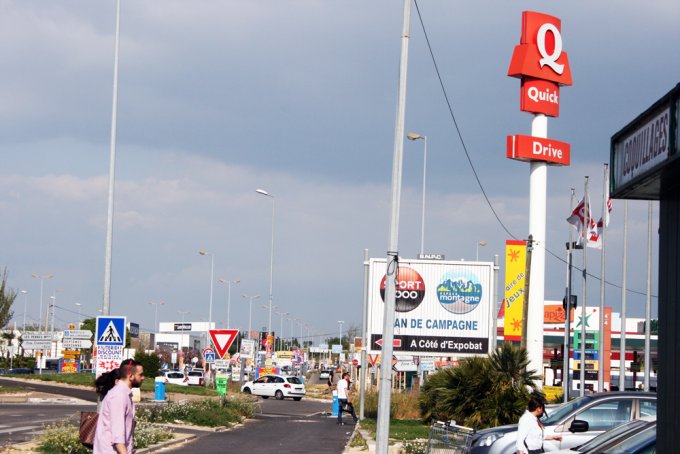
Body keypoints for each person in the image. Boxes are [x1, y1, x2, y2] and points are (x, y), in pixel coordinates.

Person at [94, 359, 145, 454]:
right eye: (140, 375)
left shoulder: (124, 393)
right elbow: (118, 436)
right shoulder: (119, 395)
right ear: (131, 376)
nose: (143, 378)